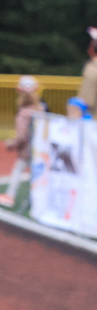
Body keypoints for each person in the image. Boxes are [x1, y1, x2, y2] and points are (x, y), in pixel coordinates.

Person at [2, 76, 45, 210]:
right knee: (38, 172)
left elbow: (22, 136)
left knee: (19, 168)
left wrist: (12, 143)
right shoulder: (41, 108)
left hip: (28, 148)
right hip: (40, 147)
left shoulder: (23, 113)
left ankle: (10, 195)